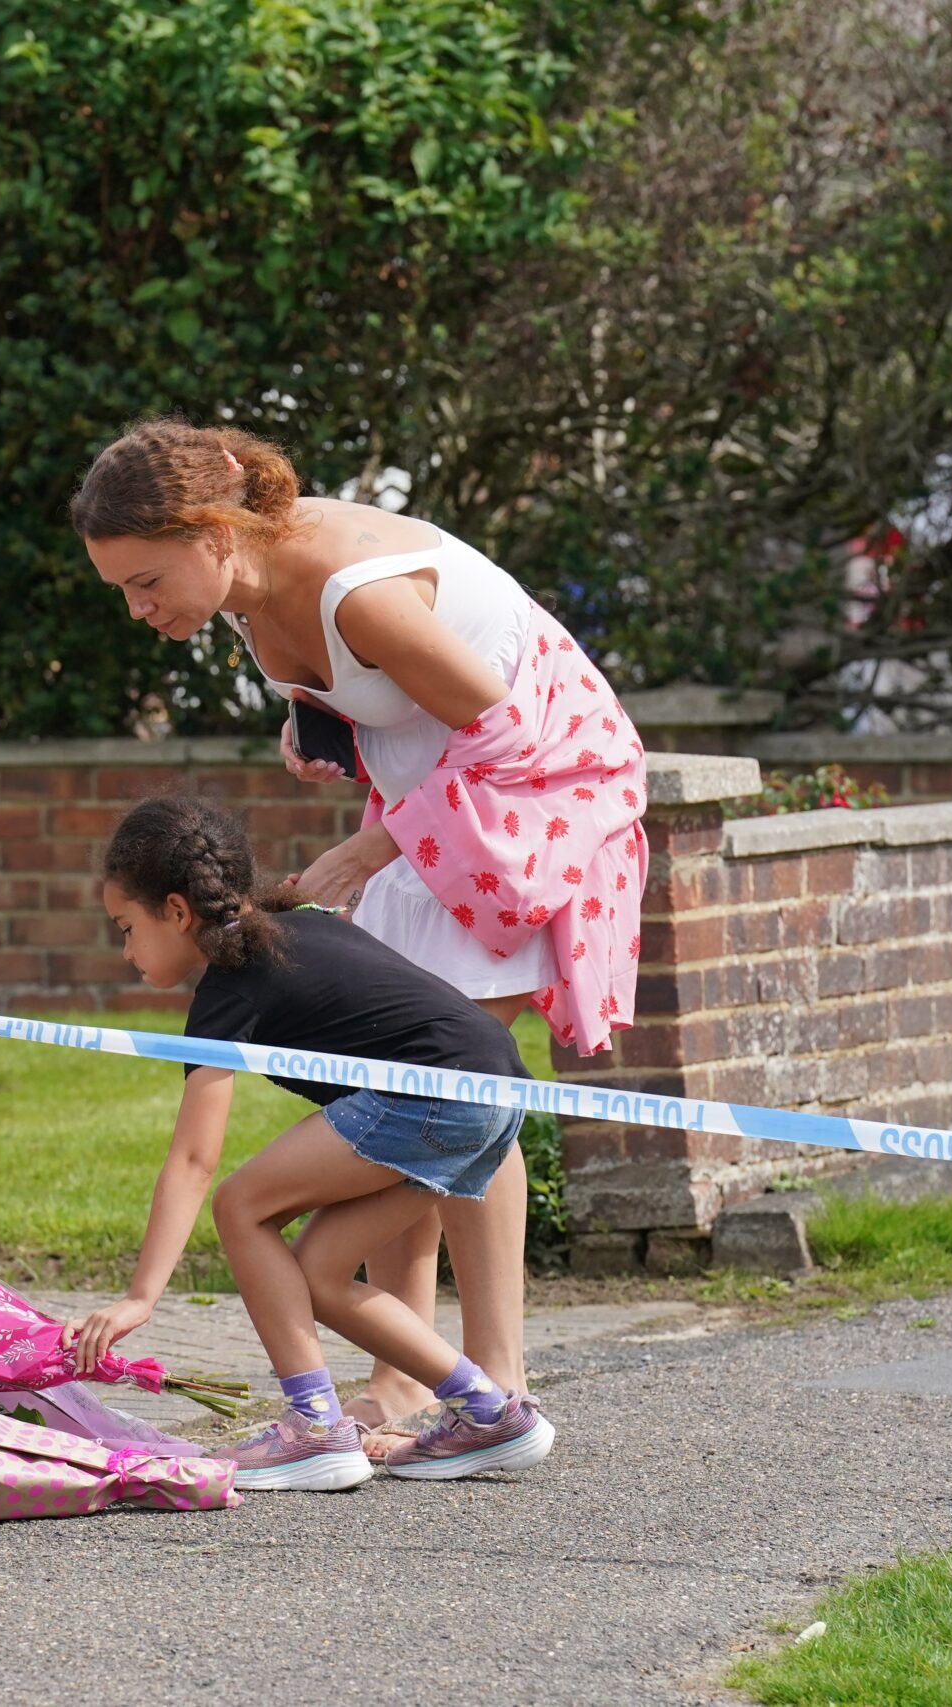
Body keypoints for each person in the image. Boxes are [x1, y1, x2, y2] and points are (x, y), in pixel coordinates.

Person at [71, 417, 649, 1459]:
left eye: (146, 581)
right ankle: (397, 1378)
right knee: (407, 1078)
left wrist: (366, 851)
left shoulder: (351, 586)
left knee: (466, 1077)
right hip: (426, 802)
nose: (137, 608)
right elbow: (370, 700)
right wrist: (320, 729)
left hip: (516, 801)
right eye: (120, 589)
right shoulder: (246, 597)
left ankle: (496, 1383)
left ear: (215, 533)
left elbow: (512, 726)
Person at [66, 796, 555, 1489]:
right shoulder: (297, 923)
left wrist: (142, 1297)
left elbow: (196, 1158)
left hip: (438, 1091)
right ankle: (489, 1410)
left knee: (240, 1205)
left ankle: (314, 1427)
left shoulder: (228, 987)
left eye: (126, 926)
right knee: (320, 1270)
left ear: (176, 911)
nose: (125, 950)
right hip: (496, 1087)